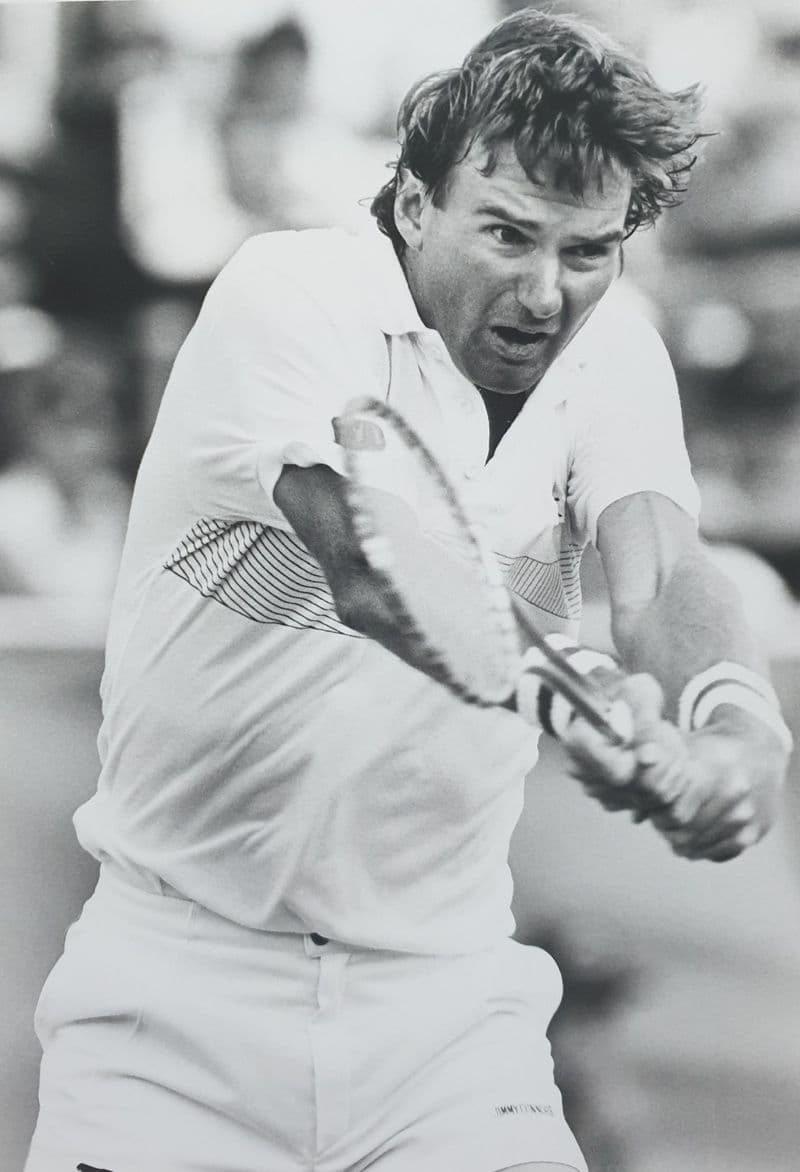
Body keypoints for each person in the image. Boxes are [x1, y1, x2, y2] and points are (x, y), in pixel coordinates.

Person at [25, 9, 791, 1172]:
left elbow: (664, 568)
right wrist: (571, 692)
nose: (543, 292)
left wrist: (735, 731)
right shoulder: (286, 292)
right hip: (176, 1003)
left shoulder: (615, 352)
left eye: (586, 250)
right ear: (413, 201)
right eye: (507, 234)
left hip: (448, 1010)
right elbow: (373, 562)